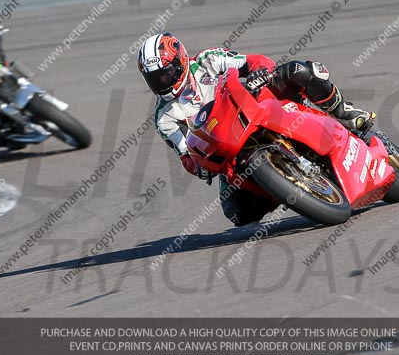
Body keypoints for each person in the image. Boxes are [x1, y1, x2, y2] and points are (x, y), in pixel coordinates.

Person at [137, 32, 375, 226]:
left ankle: (345, 113)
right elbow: (186, 156)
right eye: (155, 79)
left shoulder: (207, 60)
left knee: (299, 71)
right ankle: (281, 185)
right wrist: (200, 166)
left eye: (166, 74)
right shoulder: (164, 118)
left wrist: (259, 72)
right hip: (230, 149)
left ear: (180, 61)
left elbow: (251, 61)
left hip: (257, 105)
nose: (163, 82)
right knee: (238, 213)